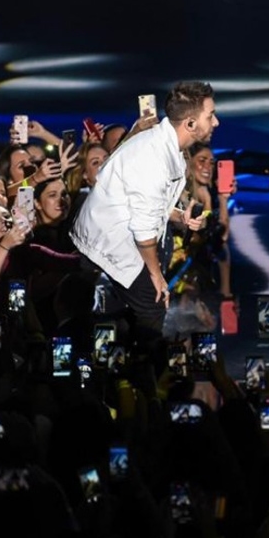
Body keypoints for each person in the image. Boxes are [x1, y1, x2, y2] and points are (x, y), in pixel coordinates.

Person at [70, 80, 217, 389]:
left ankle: (135, 375)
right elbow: (142, 231)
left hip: (126, 232)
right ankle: (139, 387)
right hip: (108, 241)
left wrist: (180, 216)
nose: (215, 122)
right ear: (190, 123)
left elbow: (154, 205)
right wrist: (156, 275)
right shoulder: (153, 157)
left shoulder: (171, 148)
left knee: (145, 309)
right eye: (210, 115)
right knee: (153, 302)